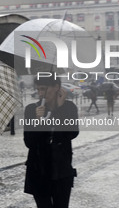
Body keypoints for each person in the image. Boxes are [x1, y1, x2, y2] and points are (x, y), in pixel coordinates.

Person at [24, 74, 79, 208]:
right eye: (38, 90)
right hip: (39, 170)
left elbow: (71, 133)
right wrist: (38, 121)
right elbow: (29, 142)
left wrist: (59, 111)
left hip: (61, 170)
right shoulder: (32, 109)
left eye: (44, 89)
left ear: (57, 88)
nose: (41, 93)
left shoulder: (69, 108)